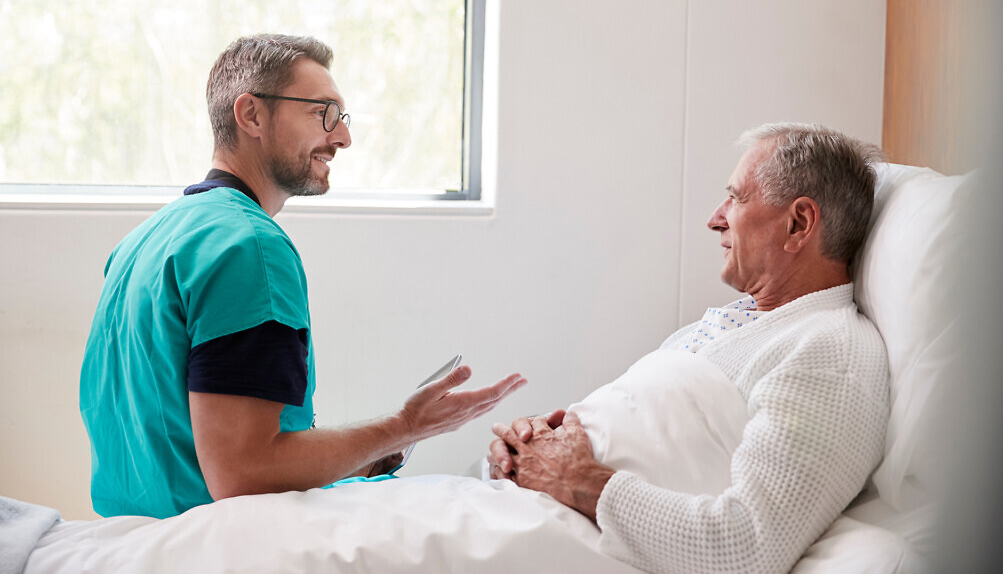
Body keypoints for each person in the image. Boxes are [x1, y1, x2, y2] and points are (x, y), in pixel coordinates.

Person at [79, 34, 525, 519]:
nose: (342, 137)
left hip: (131, 537)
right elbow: (242, 473)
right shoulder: (249, 245)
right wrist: (404, 425)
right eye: (323, 113)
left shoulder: (144, 241)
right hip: (209, 549)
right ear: (251, 115)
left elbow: (183, 443)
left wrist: (360, 460)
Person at [488, 123, 889, 574]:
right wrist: (532, 445)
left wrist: (574, 478)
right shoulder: (727, 325)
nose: (715, 218)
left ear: (798, 224)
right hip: (510, 509)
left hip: (551, 537)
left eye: (736, 198)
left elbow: (748, 546)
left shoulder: (831, 354)